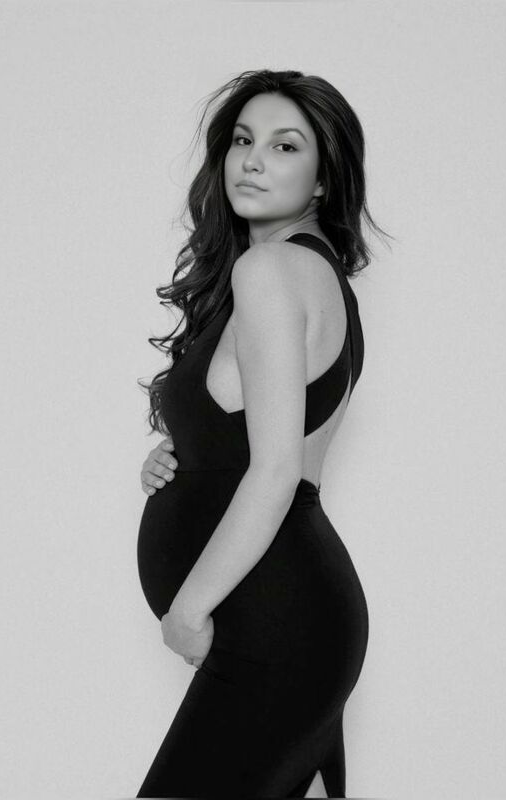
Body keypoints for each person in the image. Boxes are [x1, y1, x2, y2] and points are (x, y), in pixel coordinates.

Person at [135, 68, 392, 798]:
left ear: (323, 179)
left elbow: (277, 472)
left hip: (275, 626)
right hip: (290, 622)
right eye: (243, 140)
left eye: (284, 146)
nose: (252, 160)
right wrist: (181, 460)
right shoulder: (312, 275)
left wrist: (188, 610)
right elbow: (272, 447)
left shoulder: (272, 269)